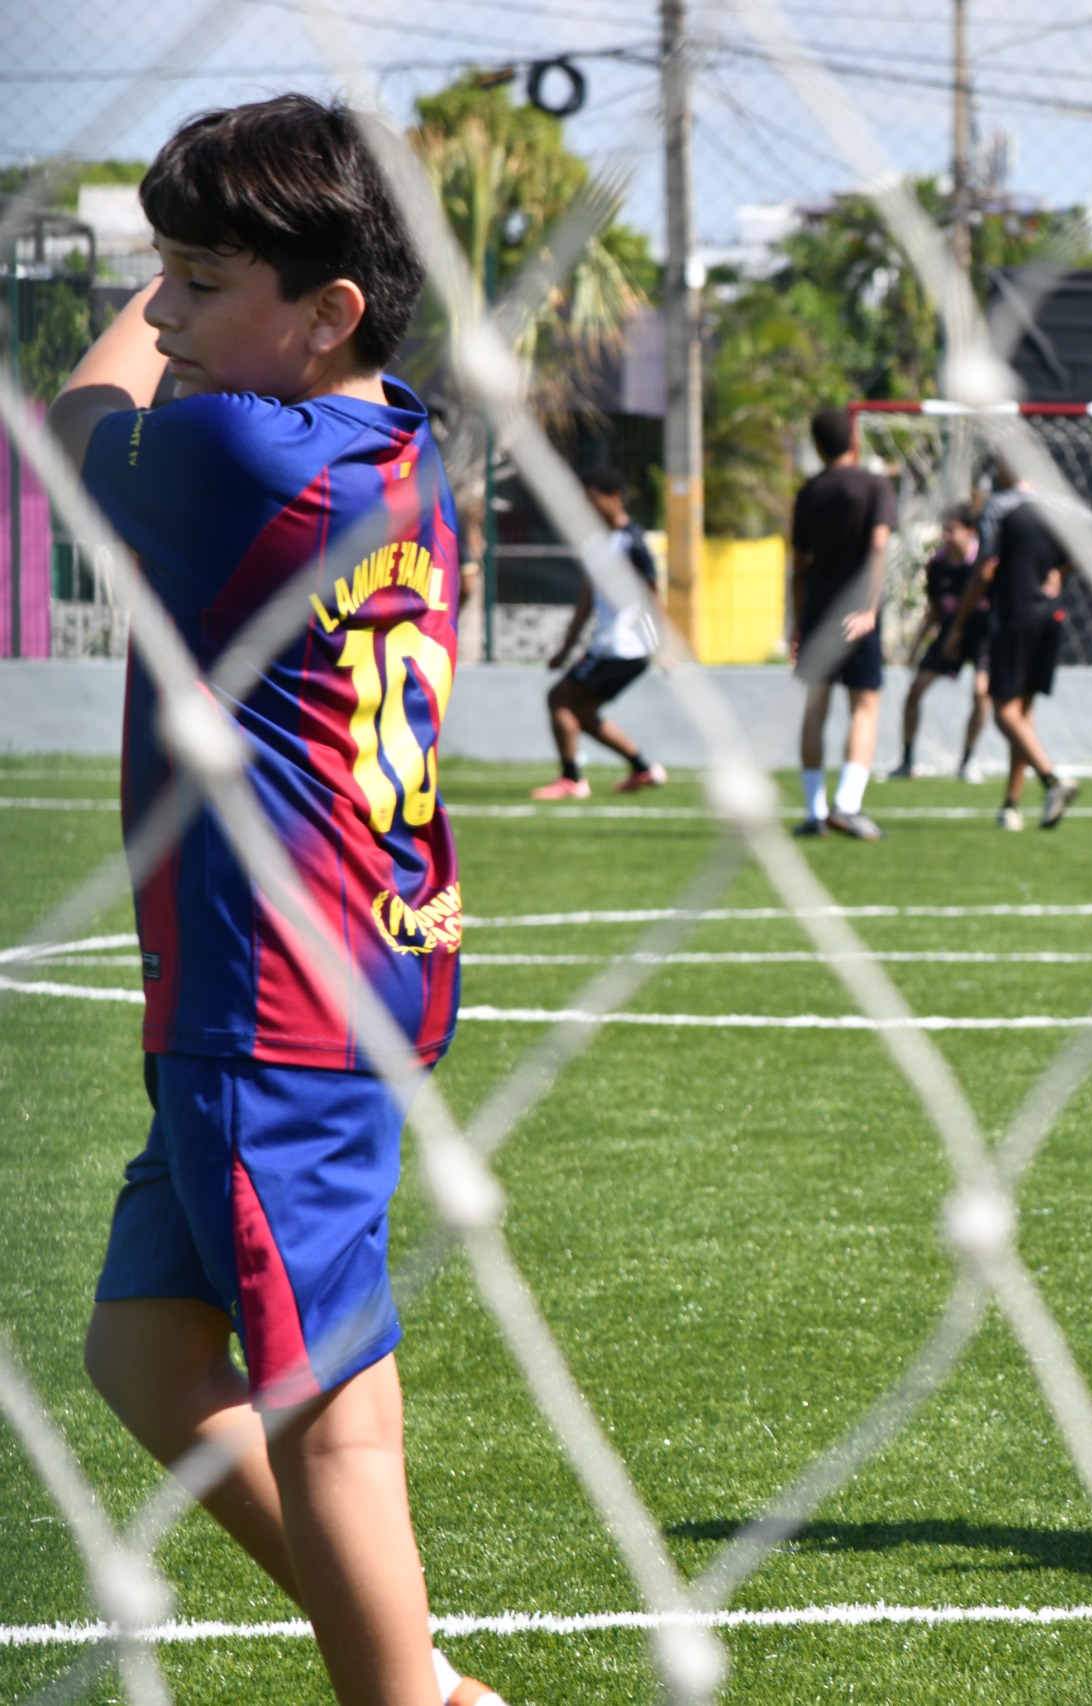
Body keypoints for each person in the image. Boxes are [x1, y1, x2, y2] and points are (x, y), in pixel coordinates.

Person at [52, 96, 500, 1705]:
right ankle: (416, 1675)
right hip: (337, 966)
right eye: (161, 276)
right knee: (147, 1356)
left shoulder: (242, 447)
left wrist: (132, 304)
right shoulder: (393, 437)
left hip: (276, 999)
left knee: (332, 1405)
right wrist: (198, 262)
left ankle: (410, 1698)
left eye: (197, 278)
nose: (165, 313)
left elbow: (70, 417)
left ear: (330, 315)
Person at [945, 459, 1092, 831]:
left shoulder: (999, 505)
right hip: (1050, 619)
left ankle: (1052, 780)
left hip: (1014, 617)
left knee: (1003, 712)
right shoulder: (1060, 504)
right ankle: (1011, 805)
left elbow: (987, 567)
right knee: (1023, 716)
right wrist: (1062, 571)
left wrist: (959, 623)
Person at [789, 406, 895, 839]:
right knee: (864, 707)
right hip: (858, 616)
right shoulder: (875, 485)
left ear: (816, 446)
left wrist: (797, 625)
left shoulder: (808, 492)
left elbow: (798, 566)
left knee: (815, 709)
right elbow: (878, 550)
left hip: (817, 614)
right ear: (854, 439)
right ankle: (847, 806)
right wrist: (869, 608)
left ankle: (815, 812)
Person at [530, 467, 666, 800]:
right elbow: (587, 600)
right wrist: (566, 647)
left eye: (592, 500)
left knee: (559, 698)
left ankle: (572, 779)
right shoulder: (594, 543)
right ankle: (642, 768)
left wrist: (662, 643)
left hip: (625, 646)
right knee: (582, 712)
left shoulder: (631, 541)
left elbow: (651, 594)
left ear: (614, 497)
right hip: (608, 644)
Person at [891, 503, 993, 781]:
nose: (946, 537)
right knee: (915, 690)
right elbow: (934, 609)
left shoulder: (983, 564)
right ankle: (907, 761)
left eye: (952, 531)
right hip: (949, 634)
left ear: (970, 532)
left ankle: (967, 762)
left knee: (981, 694)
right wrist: (915, 646)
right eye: (944, 531)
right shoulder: (936, 564)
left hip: (981, 634)